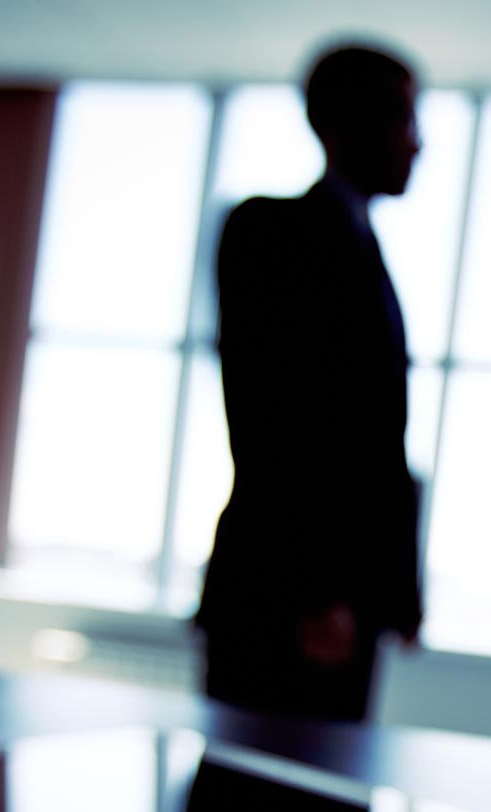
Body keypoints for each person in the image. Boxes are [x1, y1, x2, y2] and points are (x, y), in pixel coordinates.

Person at [196, 42, 423, 721]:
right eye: (406, 119)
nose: (420, 143)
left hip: (344, 601)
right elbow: (272, 420)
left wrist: (396, 592)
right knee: (255, 806)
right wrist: (315, 590)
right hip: (287, 595)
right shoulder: (270, 231)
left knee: (330, 811)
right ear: (350, 124)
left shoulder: (364, 246)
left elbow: (380, 442)